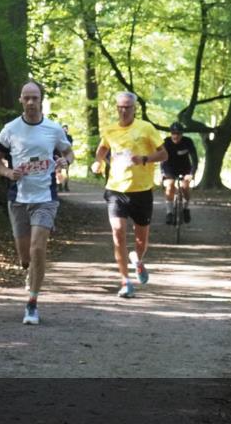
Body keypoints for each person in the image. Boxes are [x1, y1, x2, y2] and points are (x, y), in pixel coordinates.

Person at [0, 80, 74, 325]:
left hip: (46, 197)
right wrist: (7, 173)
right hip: (18, 198)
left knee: (38, 249)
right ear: (20, 100)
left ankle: (32, 303)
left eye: (35, 98)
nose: (31, 102)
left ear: (41, 99)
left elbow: (68, 152)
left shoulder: (54, 129)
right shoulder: (10, 129)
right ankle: (30, 274)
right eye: (26, 98)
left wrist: (65, 162)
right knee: (26, 258)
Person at [90, 92, 168, 299]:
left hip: (142, 191)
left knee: (141, 240)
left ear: (134, 108)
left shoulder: (146, 128)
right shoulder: (110, 130)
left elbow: (164, 154)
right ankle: (125, 281)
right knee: (118, 234)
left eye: (128, 107)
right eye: (120, 107)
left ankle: (138, 260)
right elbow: (101, 150)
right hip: (116, 190)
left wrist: (144, 158)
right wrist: (98, 162)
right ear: (116, 108)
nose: (124, 111)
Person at [161, 121, 198, 224]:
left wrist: (192, 173)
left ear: (182, 134)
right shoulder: (166, 142)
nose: (176, 136)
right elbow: (162, 160)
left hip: (185, 167)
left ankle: (186, 209)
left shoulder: (188, 142)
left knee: (185, 186)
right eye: (173, 133)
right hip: (169, 167)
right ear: (171, 134)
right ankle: (169, 212)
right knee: (170, 185)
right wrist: (163, 173)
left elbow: (194, 159)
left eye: (178, 134)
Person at [56, 125, 74, 192]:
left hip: (66, 155)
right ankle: (59, 185)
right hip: (59, 155)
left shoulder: (69, 137)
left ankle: (66, 185)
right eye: (64, 129)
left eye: (66, 129)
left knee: (66, 171)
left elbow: (70, 146)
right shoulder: (58, 136)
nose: (65, 130)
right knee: (58, 171)